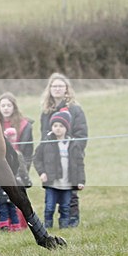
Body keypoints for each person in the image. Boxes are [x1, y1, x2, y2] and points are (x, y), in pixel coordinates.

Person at [39, 73, 88, 227]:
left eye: (61, 86)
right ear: (50, 89)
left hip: (70, 155)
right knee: (53, 190)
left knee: (70, 190)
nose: (57, 89)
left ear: (67, 89)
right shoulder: (46, 111)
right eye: (54, 86)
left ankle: (71, 221)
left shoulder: (75, 110)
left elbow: (82, 133)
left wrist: (74, 150)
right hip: (52, 158)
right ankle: (50, 222)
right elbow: (44, 136)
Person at [33, 110, 86, 229]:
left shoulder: (73, 144)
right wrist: (41, 173)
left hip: (68, 183)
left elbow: (79, 164)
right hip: (52, 183)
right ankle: (47, 227)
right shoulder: (46, 142)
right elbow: (37, 158)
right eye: (55, 125)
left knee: (65, 207)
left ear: (66, 128)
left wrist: (81, 181)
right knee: (49, 207)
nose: (58, 128)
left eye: (61, 126)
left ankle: (64, 227)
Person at [0, 127, 31, 231]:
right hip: (4, 191)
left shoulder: (17, 155)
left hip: (6, 190)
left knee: (9, 209)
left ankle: (11, 225)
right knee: (6, 209)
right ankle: (10, 225)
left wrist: (26, 181)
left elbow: (22, 170)